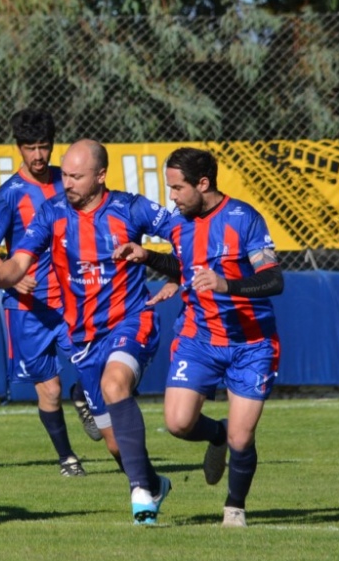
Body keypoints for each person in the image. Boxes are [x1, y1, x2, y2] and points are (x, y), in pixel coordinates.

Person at [0, 139, 175, 524]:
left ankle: (140, 500)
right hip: (84, 337)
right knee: (115, 444)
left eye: (77, 176)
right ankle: (151, 482)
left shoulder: (131, 208)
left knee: (116, 385)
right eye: (64, 174)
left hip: (131, 319)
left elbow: (187, 236)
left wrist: (177, 277)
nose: (66, 182)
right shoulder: (52, 213)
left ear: (101, 176)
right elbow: (19, 261)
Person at [115, 147, 283, 528]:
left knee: (245, 438)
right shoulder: (179, 223)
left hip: (251, 343)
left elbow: (274, 279)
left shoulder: (244, 219)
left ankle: (234, 509)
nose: (171, 197)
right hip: (199, 337)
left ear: (202, 184)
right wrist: (147, 256)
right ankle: (218, 435)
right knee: (178, 423)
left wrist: (227, 284)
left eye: (177, 188)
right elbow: (183, 264)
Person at [0, 108, 96, 477]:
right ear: (19, 149)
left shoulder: (71, 182)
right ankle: (67, 458)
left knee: (97, 368)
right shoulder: (10, 193)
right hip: (28, 307)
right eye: (30, 148)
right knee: (49, 389)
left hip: (75, 299)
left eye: (44, 147)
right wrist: (8, 275)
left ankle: (84, 395)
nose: (39, 156)